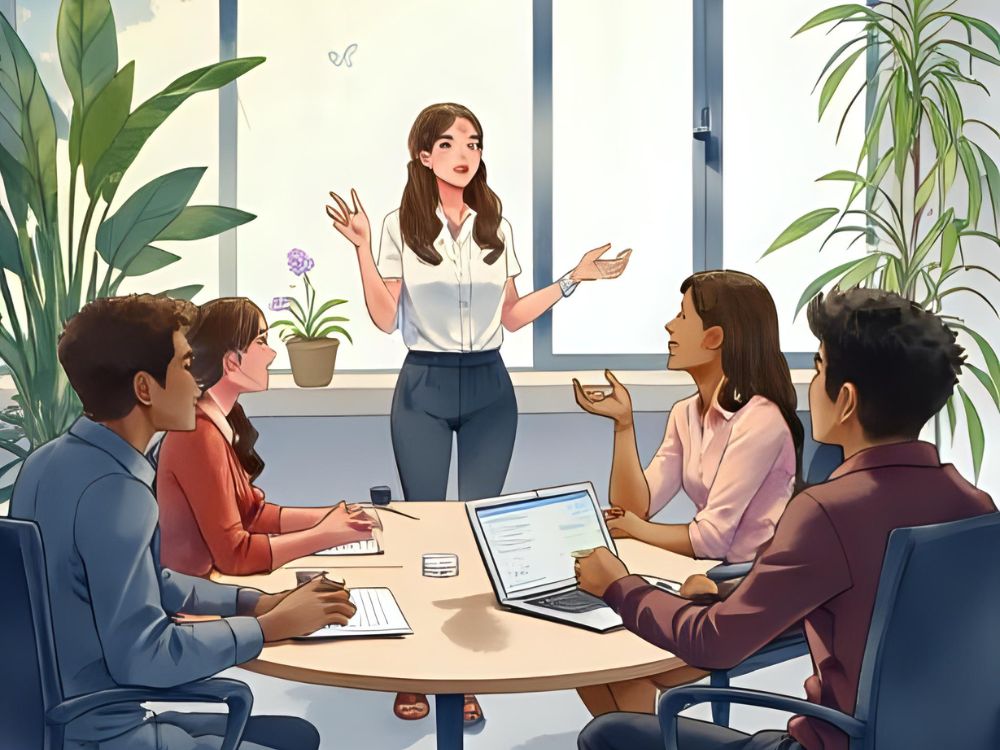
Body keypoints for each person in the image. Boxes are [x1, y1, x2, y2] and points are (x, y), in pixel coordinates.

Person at [574, 287, 995, 750]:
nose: (811, 386)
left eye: (818, 369)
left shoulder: (826, 511)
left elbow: (714, 644)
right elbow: (870, 603)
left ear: (847, 400)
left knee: (608, 734)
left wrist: (618, 585)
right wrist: (730, 592)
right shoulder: (975, 505)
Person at [326, 101, 631, 724]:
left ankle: (464, 675)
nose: (464, 153)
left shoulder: (496, 223)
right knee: (425, 527)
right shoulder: (398, 225)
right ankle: (415, 669)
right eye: (448, 143)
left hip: (491, 384)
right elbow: (386, 318)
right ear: (423, 154)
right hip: (425, 385)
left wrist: (574, 278)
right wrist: (361, 247)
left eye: (473, 141)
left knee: (479, 528)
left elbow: (513, 317)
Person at [11, 294, 356, 750]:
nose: (197, 384)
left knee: (296, 734)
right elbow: (147, 655)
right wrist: (270, 628)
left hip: (56, 723)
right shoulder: (117, 493)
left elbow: (150, 582)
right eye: (186, 364)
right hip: (106, 734)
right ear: (144, 388)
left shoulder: (47, 463)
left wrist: (256, 602)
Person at [573, 270, 804, 715]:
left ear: (715, 336)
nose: (669, 328)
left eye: (682, 317)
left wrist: (635, 530)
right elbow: (635, 505)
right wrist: (624, 425)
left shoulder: (761, 420)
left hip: (747, 590)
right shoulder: (686, 413)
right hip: (704, 578)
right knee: (595, 652)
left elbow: (711, 538)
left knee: (624, 665)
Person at [156, 296, 376, 577]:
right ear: (231, 362)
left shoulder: (222, 419)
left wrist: (332, 516)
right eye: (261, 342)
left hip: (213, 588)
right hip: (197, 601)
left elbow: (252, 514)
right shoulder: (199, 435)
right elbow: (235, 556)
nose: (271, 354)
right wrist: (325, 535)